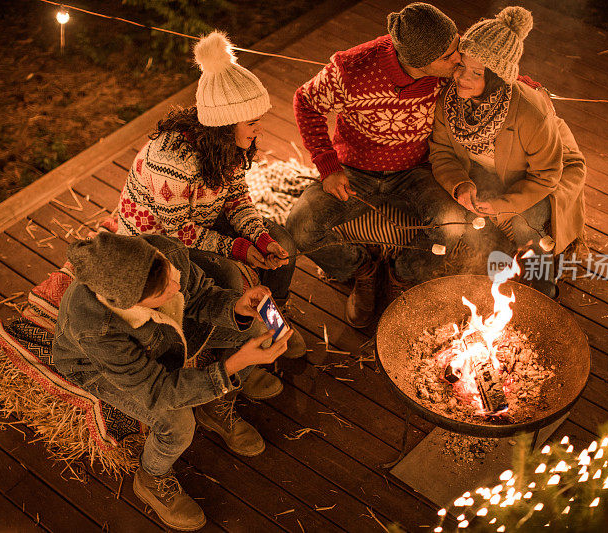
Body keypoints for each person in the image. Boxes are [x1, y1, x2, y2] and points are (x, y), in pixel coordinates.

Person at [52, 232, 292, 531]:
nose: (177, 286)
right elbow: (158, 391)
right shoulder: (95, 327)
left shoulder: (164, 251)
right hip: (95, 367)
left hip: (166, 332)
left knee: (254, 327)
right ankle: (151, 477)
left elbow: (199, 295)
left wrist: (236, 306)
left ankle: (214, 409)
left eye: (169, 273)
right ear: (133, 304)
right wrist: (231, 367)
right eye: (165, 290)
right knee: (178, 425)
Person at [116, 31, 305, 397]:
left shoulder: (228, 145)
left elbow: (236, 197)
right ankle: (241, 364)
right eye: (252, 122)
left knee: (284, 242)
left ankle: (272, 322)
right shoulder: (172, 161)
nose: (259, 128)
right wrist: (237, 249)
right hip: (158, 238)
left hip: (201, 220)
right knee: (228, 276)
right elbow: (174, 232)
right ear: (225, 123)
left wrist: (260, 239)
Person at [286, 2, 466, 328]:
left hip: (417, 171)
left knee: (452, 226)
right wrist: (328, 166)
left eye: (458, 47)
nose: (459, 59)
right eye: (449, 56)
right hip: (356, 170)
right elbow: (305, 101)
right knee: (300, 227)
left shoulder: (452, 69)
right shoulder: (351, 70)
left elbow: (488, 74)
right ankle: (361, 271)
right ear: (419, 63)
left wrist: (522, 85)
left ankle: (403, 276)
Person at [428, 6, 586, 298]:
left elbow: (547, 174)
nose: (462, 76)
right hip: (491, 171)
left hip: (546, 175)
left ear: (498, 78)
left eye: (477, 72)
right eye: (461, 65)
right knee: (465, 215)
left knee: (526, 222)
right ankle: (491, 273)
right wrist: (461, 184)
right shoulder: (449, 101)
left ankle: (543, 287)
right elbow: (441, 153)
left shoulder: (530, 114)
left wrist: (504, 204)